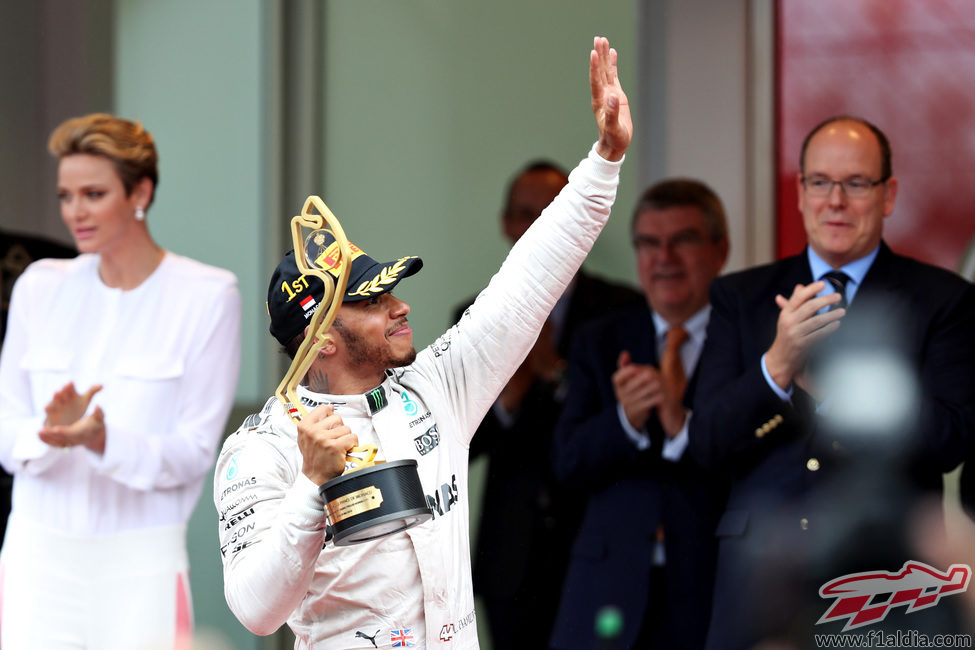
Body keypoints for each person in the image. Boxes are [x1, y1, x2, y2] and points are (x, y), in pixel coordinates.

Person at [214, 36, 632, 649]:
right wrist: (312, 487)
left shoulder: (436, 388)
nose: (399, 306)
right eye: (373, 300)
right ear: (321, 339)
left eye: (393, 291)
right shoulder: (262, 449)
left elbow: (527, 282)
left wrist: (604, 160)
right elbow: (255, 611)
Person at [689, 116, 975, 649]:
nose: (835, 201)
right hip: (761, 586)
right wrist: (776, 366)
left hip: (889, 587)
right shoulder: (741, 297)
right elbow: (704, 443)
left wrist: (832, 389)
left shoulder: (944, 300)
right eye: (819, 182)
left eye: (856, 183)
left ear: (888, 195)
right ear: (799, 193)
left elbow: (953, 439)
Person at [0, 113, 242, 649]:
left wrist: (102, 440)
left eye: (93, 193)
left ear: (141, 192)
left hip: (143, 562)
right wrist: (50, 433)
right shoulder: (39, 287)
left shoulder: (208, 296)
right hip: (35, 557)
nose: (74, 212)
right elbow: (5, 428)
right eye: (66, 196)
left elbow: (195, 451)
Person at [451, 160, 642, 649]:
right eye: (524, 213)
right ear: (506, 223)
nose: (537, 227)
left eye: (553, 212)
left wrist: (555, 371)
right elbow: (453, 446)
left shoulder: (623, 309)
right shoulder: (476, 315)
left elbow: (631, 432)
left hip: (595, 542)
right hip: (509, 552)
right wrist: (505, 405)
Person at [549, 179, 729, 650]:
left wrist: (679, 424)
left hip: (714, 588)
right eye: (650, 243)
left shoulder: (747, 339)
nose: (664, 256)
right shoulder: (600, 338)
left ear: (720, 249)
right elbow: (567, 461)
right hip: (607, 588)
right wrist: (625, 420)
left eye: (683, 240)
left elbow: (756, 463)